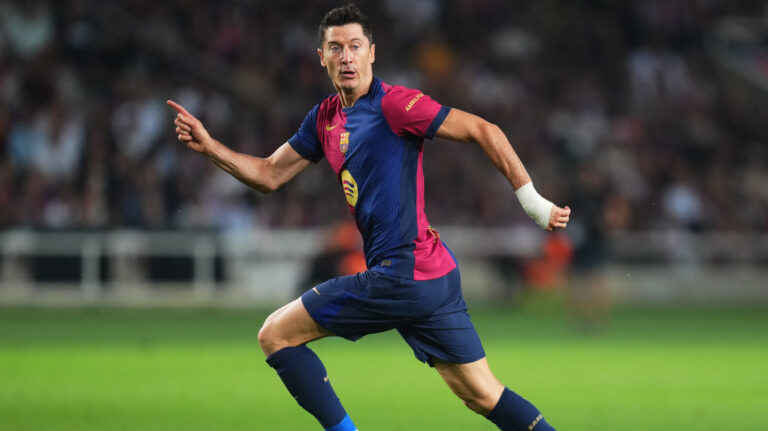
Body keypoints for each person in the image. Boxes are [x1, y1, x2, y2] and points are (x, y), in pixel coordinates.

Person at [167, 4, 570, 430]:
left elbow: (484, 130)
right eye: (336, 48)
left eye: (355, 46)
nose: (346, 57)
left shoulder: (395, 104)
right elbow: (269, 174)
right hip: (433, 274)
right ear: (321, 57)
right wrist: (210, 147)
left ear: (372, 53)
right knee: (483, 395)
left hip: (401, 275)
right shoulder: (324, 118)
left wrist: (533, 202)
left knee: (275, 335)